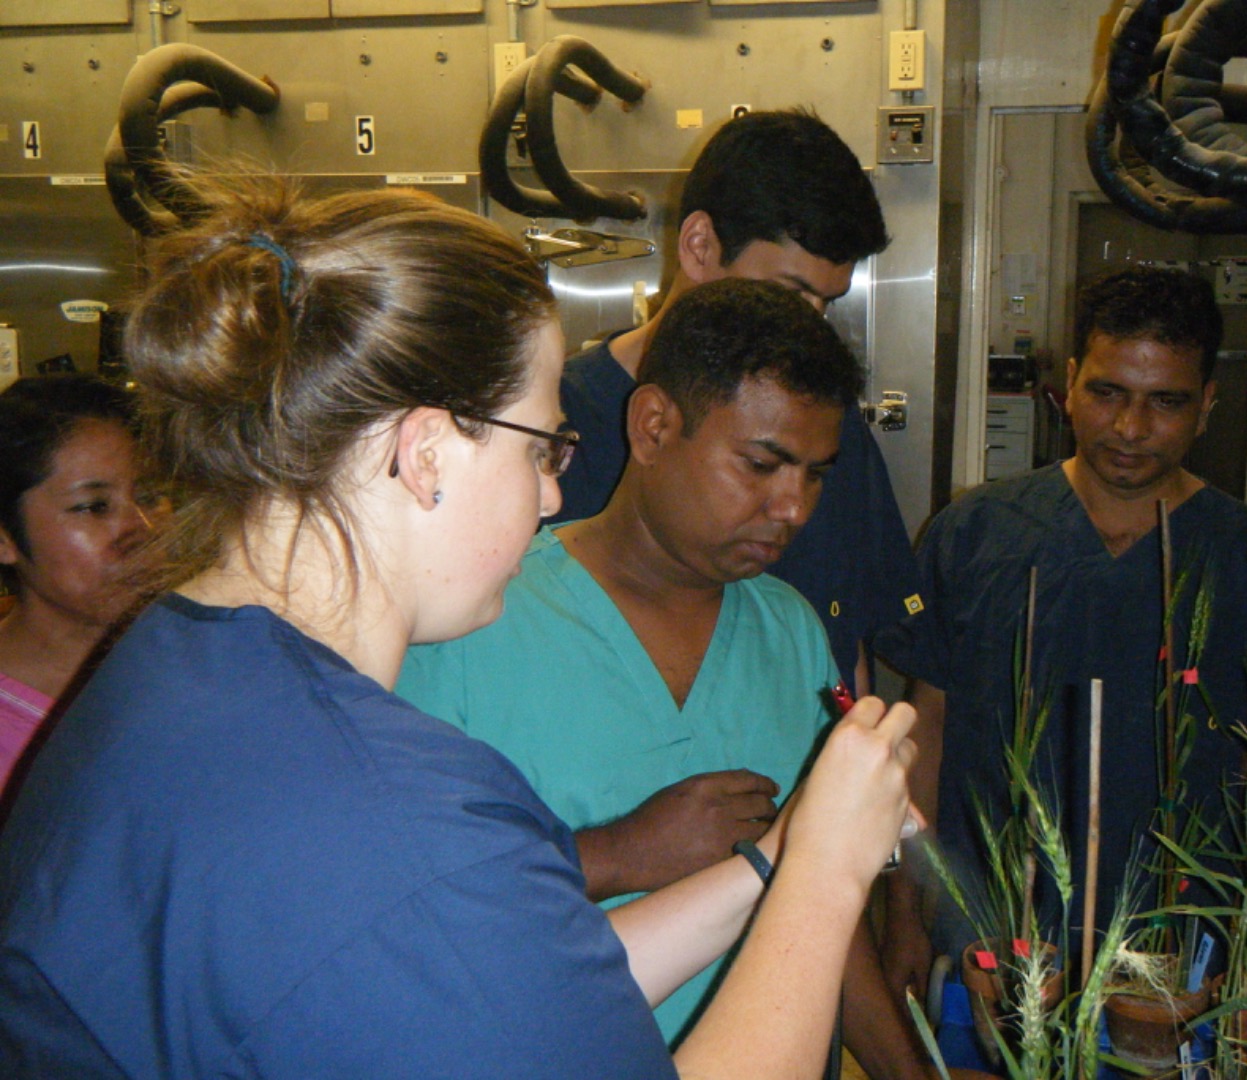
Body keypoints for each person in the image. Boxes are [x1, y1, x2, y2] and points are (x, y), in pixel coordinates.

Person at [0, 175, 919, 1079]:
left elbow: (529, 998)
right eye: (540, 447)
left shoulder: (178, 665)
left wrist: (771, 859)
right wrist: (828, 872)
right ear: (427, 452)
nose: (554, 491)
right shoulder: (396, 822)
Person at [399, 277, 934, 1079]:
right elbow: (404, 915)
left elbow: (814, 905)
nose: (793, 506)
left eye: (817, 474)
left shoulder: (786, 631)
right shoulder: (474, 621)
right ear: (653, 427)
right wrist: (615, 854)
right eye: (761, 464)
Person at [875, 266, 1247, 1001]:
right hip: (988, 939)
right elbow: (923, 734)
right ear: (1071, 384)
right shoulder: (976, 535)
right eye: (1107, 392)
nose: (1129, 427)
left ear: (1207, 406)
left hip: (1179, 958)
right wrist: (904, 916)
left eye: (1165, 402)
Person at [554, 107, 922, 700]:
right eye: (789, 292)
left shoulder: (831, 434)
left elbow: (845, 642)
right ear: (700, 246)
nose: (809, 328)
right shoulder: (554, 425)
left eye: (828, 302)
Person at [0, 375, 156, 794]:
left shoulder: (190, 662)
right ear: (5, 537)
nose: (140, 528)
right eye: (93, 507)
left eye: (150, 495)